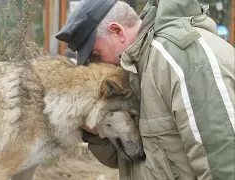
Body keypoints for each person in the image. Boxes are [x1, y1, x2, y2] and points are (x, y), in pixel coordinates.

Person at [56, 0, 235, 180]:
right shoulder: (139, 67)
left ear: (117, 31)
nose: (98, 66)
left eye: (96, 56)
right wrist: (94, 129)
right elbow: (137, 158)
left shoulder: (182, 60)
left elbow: (221, 162)